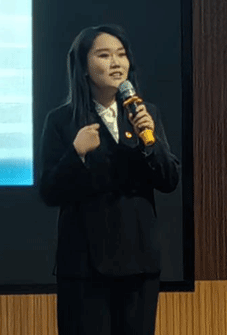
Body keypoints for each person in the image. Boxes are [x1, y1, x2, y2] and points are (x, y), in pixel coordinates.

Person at [40, 24, 180, 335]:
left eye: (121, 54)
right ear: (83, 66)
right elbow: (49, 191)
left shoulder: (145, 114)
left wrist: (151, 143)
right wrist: (76, 153)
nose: (116, 63)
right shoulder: (62, 120)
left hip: (139, 263)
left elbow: (169, 180)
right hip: (85, 267)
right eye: (104, 55)